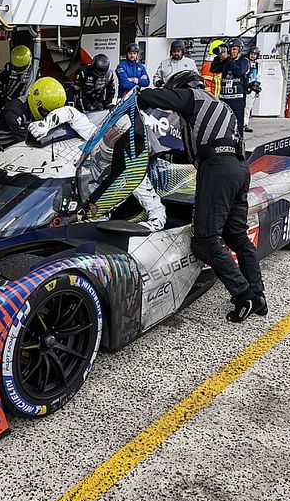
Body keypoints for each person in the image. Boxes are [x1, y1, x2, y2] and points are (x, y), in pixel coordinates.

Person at [137, 70, 266, 322]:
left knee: (205, 241)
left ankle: (243, 295)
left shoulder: (192, 97)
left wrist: (137, 99)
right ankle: (258, 295)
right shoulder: (222, 107)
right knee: (236, 235)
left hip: (217, 170)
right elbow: (202, 146)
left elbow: (151, 97)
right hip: (239, 168)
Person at [28, 103, 166, 231]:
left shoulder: (133, 174)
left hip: (92, 221)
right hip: (63, 203)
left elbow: (157, 211)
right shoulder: (95, 135)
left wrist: (143, 227)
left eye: (119, 135)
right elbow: (71, 113)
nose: (111, 137)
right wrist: (45, 124)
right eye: (113, 130)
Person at [0, 77, 67, 156]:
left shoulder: (36, 105)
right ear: (37, 103)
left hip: (15, 144)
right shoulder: (14, 114)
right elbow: (28, 145)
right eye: (46, 112)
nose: (48, 117)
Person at [210, 38, 250, 138]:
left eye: (235, 49)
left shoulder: (244, 60)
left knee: (238, 122)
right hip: (224, 97)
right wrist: (220, 58)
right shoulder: (225, 61)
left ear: (240, 50)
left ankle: (239, 142)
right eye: (230, 49)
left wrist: (227, 59)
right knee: (223, 121)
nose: (232, 52)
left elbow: (239, 71)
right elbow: (213, 69)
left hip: (237, 98)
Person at [243, 47, 260, 133]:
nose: (253, 55)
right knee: (242, 107)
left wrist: (257, 89)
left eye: (255, 54)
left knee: (248, 108)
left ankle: (245, 124)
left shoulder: (257, 65)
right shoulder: (245, 63)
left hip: (252, 89)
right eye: (251, 54)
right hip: (245, 88)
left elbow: (259, 77)